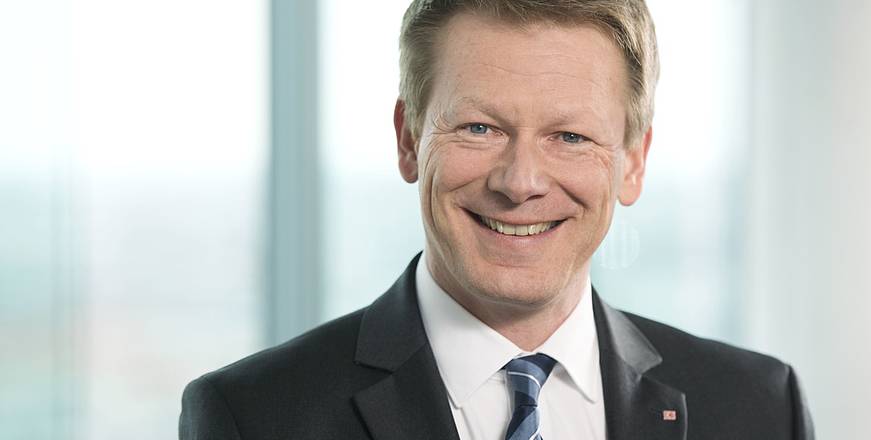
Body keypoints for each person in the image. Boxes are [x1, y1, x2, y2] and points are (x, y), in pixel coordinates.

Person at [179, 1, 814, 439]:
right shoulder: (253, 418)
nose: (520, 182)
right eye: (480, 128)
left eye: (569, 136)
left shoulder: (758, 407)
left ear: (633, 163)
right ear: (409, 140)